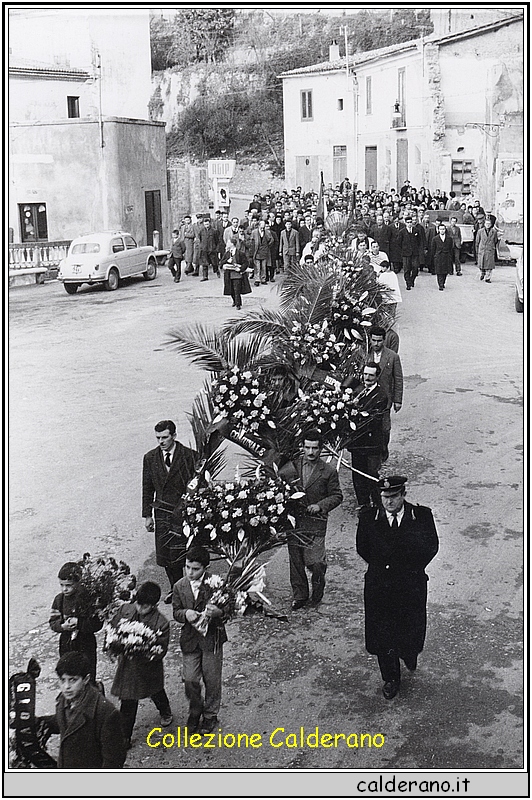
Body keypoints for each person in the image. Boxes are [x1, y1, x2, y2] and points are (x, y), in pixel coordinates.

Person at [356, 476, 439, 700]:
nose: (389, 502)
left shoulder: (420, 516)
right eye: (385, 497)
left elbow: (431, 546)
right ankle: (391, 677)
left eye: (393, 497)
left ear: (403, 495)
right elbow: (362, 547)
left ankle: (409, 652)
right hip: (379, 585)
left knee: (410, 626)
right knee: (383, 632)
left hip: (410, 584)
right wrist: (383, 566)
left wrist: (410, 569)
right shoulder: (368, 518)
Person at [279, 430, 343, 610]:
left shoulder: (328, 471)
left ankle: (318, 582)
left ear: (321, 449)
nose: (311, 452)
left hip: (316, 522)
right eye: (307, 447)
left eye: (315, 448)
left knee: (315, 561)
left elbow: (337, 496)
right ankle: (300, 596)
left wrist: (320, 505)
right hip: (295, 521)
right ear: (302, 447)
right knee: (296, 560)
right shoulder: (292, 467)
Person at [172, 547, 228, 734]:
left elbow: (229, 609)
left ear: (206, 567)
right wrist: (184, 614)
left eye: (195, 569)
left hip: (211, 640)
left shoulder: (217, 583)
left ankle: (210, 715)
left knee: (212, 680)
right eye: (187, 567)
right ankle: (195, 709)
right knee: (190, 679)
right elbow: (176, 611)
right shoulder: (179, 586)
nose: (190, 572)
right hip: (190, 640)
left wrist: (219, 612)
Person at [110, 582, 172, 747]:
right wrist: (112, 646)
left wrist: (143, 650)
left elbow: (160, 650)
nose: (139, 608)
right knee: (128, 700)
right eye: (137, 603)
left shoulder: (161, 623)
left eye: (144, 606)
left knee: (155, 691)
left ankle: (165, 710)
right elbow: (113, 627)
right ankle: (125, 737)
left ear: (154, 605)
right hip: (128, 668)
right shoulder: (126, 610)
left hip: (147, 667)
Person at [142, 420, 197, 599]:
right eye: (158, 437)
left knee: (183, 553)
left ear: (174, 436)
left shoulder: (190, 456)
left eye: (165, 437)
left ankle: (187, 590)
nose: (161, 441)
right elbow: (147, 487)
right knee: (166, 555)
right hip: (163, 513)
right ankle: (175, 588)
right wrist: (147, 515)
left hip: (183, 512)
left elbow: (197, 486)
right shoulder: (150, 458)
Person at [45, 652, 126, 768]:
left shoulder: (105, 712)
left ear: (86, 679)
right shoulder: (64, 699)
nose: (66, 686)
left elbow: (114, 760)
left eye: (73, 680)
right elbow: (65, 723)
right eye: (62, 680)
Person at [49, 562, 103, 684]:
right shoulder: (59, 600)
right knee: (68, 675)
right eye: (62, 585)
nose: (64, 589)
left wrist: (79, 623)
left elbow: (97, 624)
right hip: (66, 643)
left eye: (69, 585)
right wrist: (62, 626)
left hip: (85, 643)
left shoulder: (88, 598)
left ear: (78, 583)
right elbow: (53, 622)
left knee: (86, 677)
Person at [345, 364, 388, 508]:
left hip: (371, 444)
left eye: (371, 375)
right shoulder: (357, 390)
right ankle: (363, 505)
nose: (367, 378)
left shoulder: (381, 396)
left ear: (377, 377)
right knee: (358, 476)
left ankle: (377, 505)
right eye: (365, 374)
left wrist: (353, 415)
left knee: (371, 476)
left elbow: (372, 420)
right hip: (357, 443)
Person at [366, 326, 403, 462]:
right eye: (374, 340)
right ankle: (372, 454)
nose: (376, 344)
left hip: (385, 399)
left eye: (379, 341)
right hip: (367, 399)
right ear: (370, 339)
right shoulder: (364, 354)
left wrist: (397, 400)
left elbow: (398, 379)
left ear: (384, 340)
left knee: (384, 429)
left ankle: (383, 450)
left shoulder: (392, 357)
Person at [221, 232, 252, 310]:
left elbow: (245, 263)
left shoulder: (240, 253)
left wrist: (241, 269)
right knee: (230, 289)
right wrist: (227, 261)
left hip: (237, 274)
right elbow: (221, 263)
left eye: (228, 243)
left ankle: (238, 304)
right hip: (229, 274)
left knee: (237, 289)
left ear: (232, 244)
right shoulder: (227, 253)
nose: (227, 244)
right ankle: (234, 301)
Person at [397, 216, 421, 289]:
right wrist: (403, 249)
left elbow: (419, 241)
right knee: (407, 269)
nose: (409, 224)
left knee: (415, 267)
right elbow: (398, 242)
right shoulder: (402, 232)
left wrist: (417, 249)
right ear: (405, 223)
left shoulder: (416, 230)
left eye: (411, 222)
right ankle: (408, 283)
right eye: (408, 222)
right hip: (406, 253)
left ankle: (412, 279)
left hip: (415, 253)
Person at [251, 218, 274, 286]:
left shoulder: (267, 232)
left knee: (263, 267)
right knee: (257, 267)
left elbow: (271, 240)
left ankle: (263, 279)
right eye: (261, 226)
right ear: (258, 225)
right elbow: (252, 241)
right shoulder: (254, 232)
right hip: (257, 251)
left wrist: (267, 246)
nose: (262, 228)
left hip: (264, 252)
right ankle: (257, 280)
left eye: (264, 226)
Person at [431, 222, 454, 290]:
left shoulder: (449, 239)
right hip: (439, 257)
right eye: (440, 229)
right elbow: (433, 249)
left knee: (445, 272)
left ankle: (443, 282)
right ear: (438, 230)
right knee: (439, 271)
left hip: (446, 256)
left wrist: (450, 256)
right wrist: (434, 256)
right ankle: (440, 284)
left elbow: (451, 248)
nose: (442, 230)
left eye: (443, 229)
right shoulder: (435, 239)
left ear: (445, 230)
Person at [197, 216, 220, 281]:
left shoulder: (214, 231)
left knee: (214, 263)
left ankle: (216, 270)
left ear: (210, 223)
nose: (206, 225)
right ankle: (205, 276)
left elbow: (217, 240)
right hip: (204, 249)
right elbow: (200, 239)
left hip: (212, 249)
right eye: (205, 224)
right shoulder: (201, 231)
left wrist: (216, 248)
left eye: (207, 224)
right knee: (205, 264)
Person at [476, 217, 499, 282]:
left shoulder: (494, 232)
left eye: (489, 224)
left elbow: (495, 240)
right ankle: (482, 273)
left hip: (490, 250)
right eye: (486, 223)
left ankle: (488, 278)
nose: (488, 225)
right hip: (482, 250)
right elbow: (477, 241)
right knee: (481, 264)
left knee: (489, 266)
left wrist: (491, 247)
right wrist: (478, 250)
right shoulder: (480, 231)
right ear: (484, 224)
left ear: (491, 224)